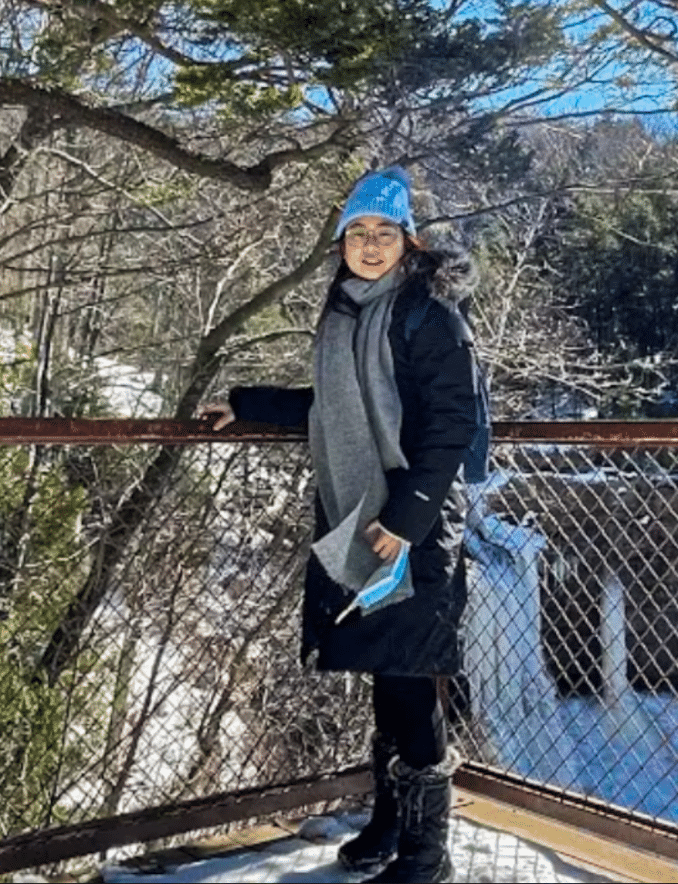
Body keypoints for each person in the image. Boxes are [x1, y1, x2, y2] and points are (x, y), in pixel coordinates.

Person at [199, 167, 480, 884]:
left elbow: (451, 428)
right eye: (358, 232)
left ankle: (427, 857)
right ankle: (389, 824)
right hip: (363, 516)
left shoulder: (429, 316)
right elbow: (331, 408)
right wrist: (248, 404)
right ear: (341, 244)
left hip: (413, 527)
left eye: (384, 232)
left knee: (411, 680)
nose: (370, 244)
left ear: (408, 244)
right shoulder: (346, 313)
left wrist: (404, 519)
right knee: (385, 679)